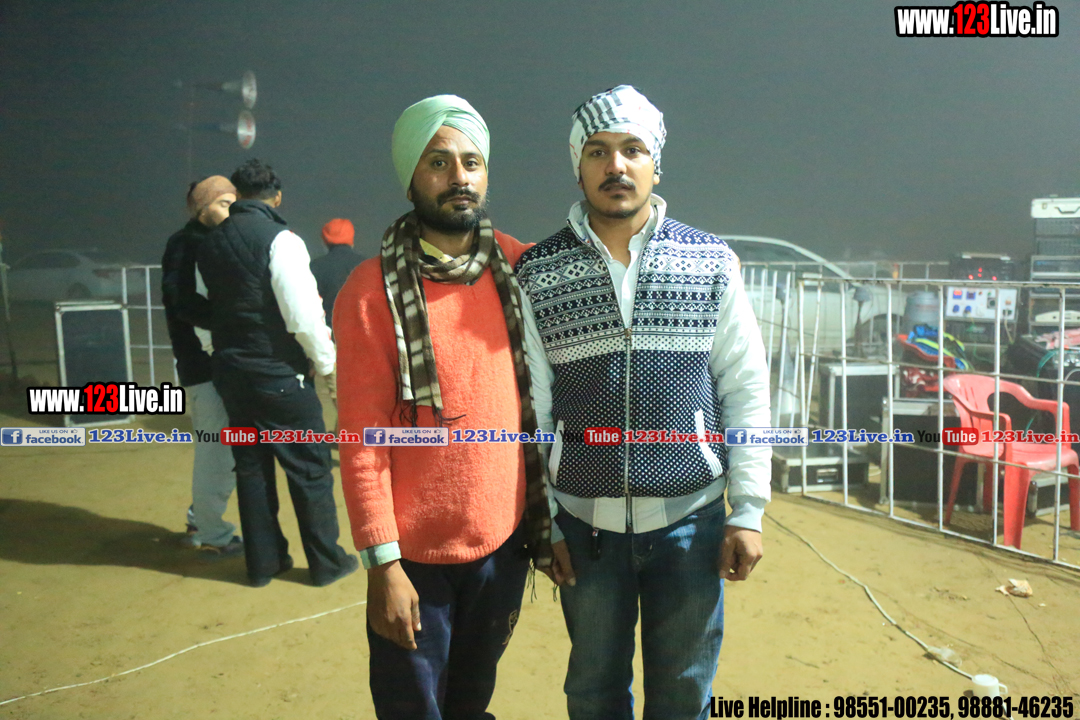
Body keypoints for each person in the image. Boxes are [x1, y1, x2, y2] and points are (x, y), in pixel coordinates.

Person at [515, 85, 772, 720]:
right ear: (578, 166)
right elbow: (533, 407)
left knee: (684, 689)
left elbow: (744, 386)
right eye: (597, 152)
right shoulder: (538, 273)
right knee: (593, 689)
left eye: (633, 150)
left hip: (692, 523)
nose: (616, 166)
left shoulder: (709, 261)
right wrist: (546, 521)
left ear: (656, 163)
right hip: (584, 526)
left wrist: (749, 510)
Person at [334, 95, 552, 720]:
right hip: (413, 562)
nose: (459, 176)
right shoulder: (370, 291)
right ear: (411, 179)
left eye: (471, 162)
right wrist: (383, 564)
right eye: (438, 162)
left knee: (470, 705)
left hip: (502, 547)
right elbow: (364, 441)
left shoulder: (520, 269)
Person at [196, 158, 358, 588]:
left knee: (251, 470)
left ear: (237, 195)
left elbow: (202, 311)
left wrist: (218, 352)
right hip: (280, 376)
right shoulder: (281, 240)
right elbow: (302, 316)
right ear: (277, 197)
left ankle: (264, 565)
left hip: (232, 375)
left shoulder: (209, 244)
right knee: (310, 469)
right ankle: (326, 563)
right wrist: (327, 364)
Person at [161, 175, 241, 558]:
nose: (231, 210)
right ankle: (212, 534)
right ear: (201, 207)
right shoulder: (186, 244)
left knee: (225, 449)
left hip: (219, 362)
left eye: (233, 202)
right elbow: (182, 301)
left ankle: (201, 518)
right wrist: (230, 324)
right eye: (223, 203)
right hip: (204, 366)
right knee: (216, 451)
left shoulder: (213, 241)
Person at [309, 218, 364, 329]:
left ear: (325, 241)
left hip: (328, 332)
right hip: (361, 331)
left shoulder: (314, 267)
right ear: (351, 239)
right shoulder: (367, 265)